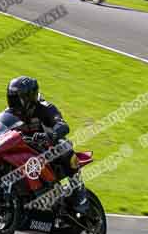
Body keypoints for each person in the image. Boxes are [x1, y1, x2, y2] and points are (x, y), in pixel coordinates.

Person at [6, 76, 89, 214]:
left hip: (47, 148)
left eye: (17, 98)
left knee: (64, 146)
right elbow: (1, 128)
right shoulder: (10, 113)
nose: (14, 102)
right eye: (11, 98)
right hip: (24, 150)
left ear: (29, 97)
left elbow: (63, 125)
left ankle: (79, 192)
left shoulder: (45, 108)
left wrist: (50, 135)